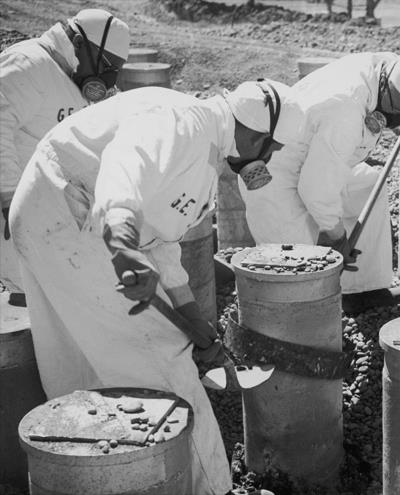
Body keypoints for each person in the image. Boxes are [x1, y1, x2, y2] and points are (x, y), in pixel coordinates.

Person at [9, 79, 297, 495]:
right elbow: (121, 171)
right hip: (74, 220)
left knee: (85, 373)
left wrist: (194, 320)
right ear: (255, 132)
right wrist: (123, 246)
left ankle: (104, 483)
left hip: (59, 222)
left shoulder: (205, 146)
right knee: (166, 369)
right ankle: (212, 490)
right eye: (272, 148)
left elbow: (161, 243)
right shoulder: (178, 122)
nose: (268, 159)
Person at [239, 52, 400, 314]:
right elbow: (316, 188)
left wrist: (399, 113)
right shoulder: (345, 107)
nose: (398, 116)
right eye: (396, 108)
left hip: (314, 157)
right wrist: (336, 236)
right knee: (297, 267)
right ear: (385, 83)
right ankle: (298, 321)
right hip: (277, 172)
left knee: (367, 186)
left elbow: (327, 167)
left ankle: (362, 288)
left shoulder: (384, 67)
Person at [0, 8, 130, 307]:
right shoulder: (29, 64)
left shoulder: (74, 76)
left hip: (52, 210)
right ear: (79, 44)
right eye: (106, 65)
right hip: (16, 209)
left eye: (116, 70)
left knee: (57, 293)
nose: (108, 77)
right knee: (31, 291)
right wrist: (9, 197)